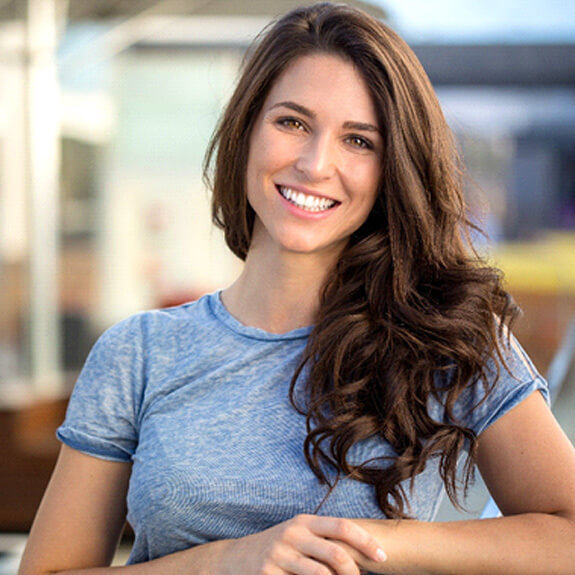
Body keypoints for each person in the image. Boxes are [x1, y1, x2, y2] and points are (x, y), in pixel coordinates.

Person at [19, 3, 575, 574]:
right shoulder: (137, 354)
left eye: (359, 141)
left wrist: (355, 540)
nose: (315, 164)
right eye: (292, 123)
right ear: (247, 130)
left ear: (391, 170)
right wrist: (224, 561)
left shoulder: (446, 336)